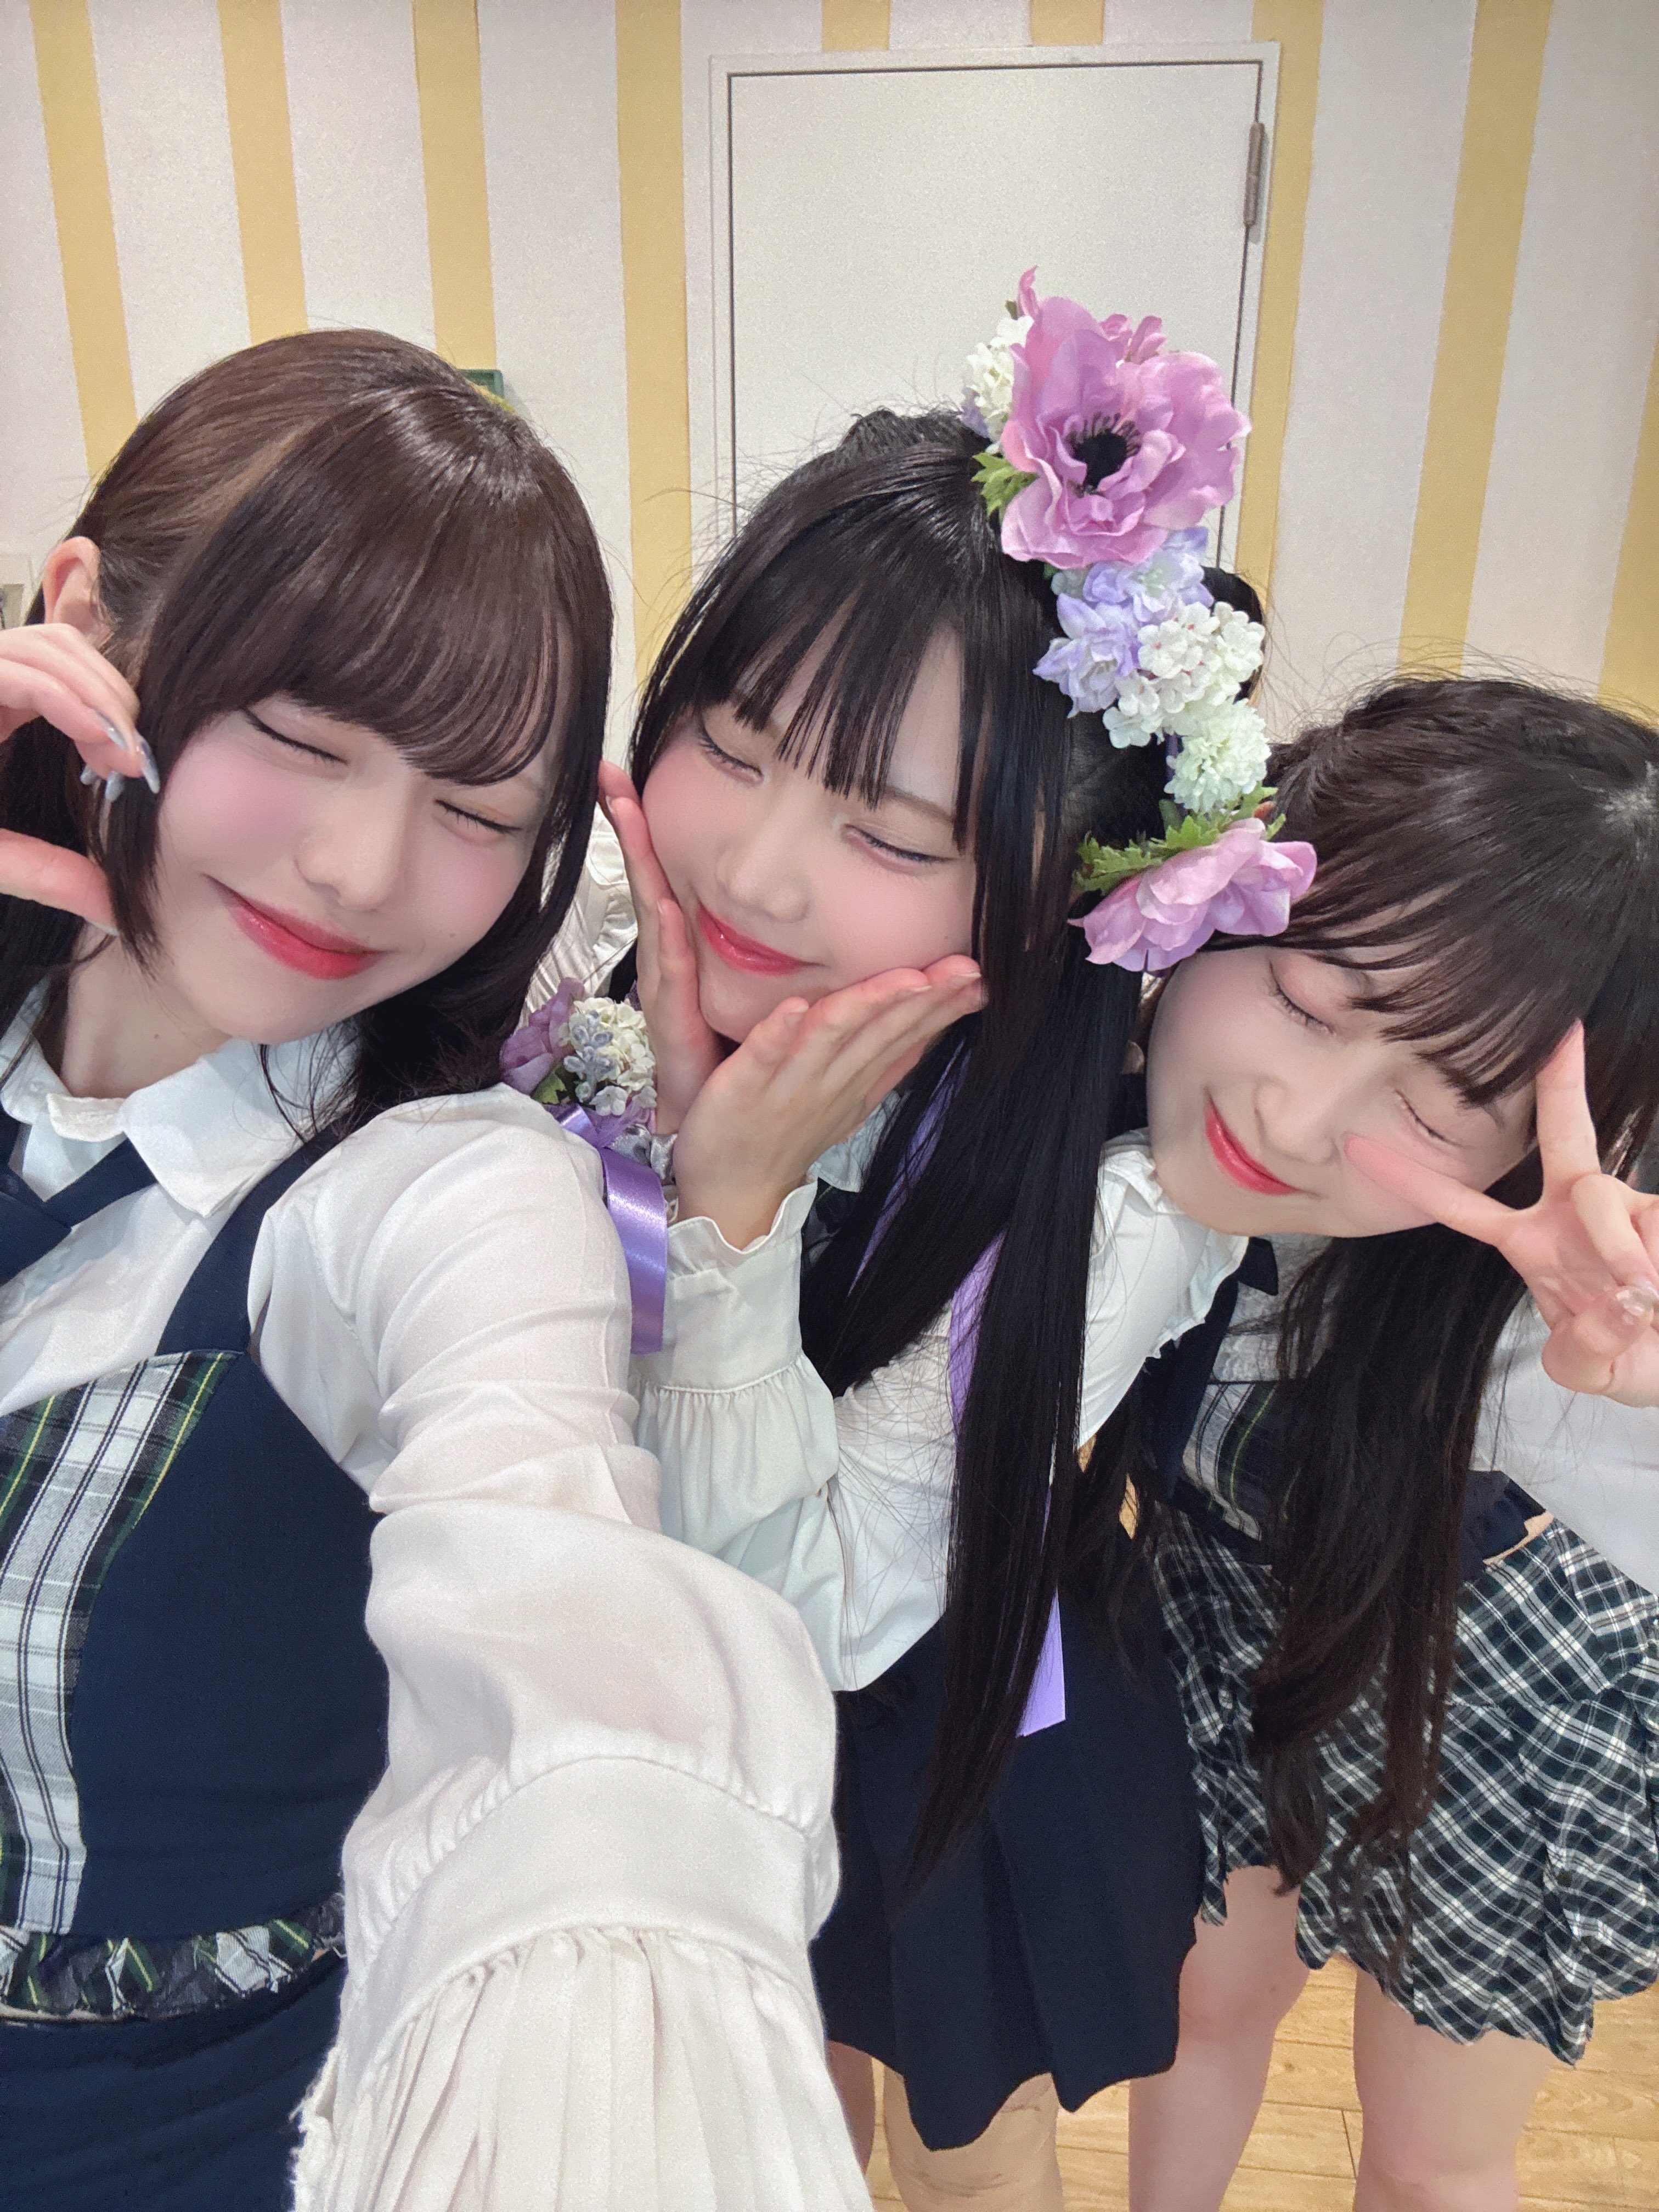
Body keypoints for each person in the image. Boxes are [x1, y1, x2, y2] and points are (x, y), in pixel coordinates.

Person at [0, 330, 870, 2210]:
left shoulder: (446, 1190)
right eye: (301, 736)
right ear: (82, 623)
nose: (359, 867)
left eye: (478, 809)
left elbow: (562, 1605)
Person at [579, 280, 1310, 2208]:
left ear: (1054, 885)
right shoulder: (631, 973)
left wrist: (730, 1213)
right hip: (690, 1719)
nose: (754, 869)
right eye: (733, 739)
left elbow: (826, 1609)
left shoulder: (1108, 1203)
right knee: (777, 2099)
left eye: (893, 837)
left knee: (963, 2155)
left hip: (945, 1728)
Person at [1121, 675, 1659, 2212]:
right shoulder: (1099, 1111)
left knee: (1431, 2151)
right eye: (1308, 1001)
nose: (1296, 1122)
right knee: (1194, 2012)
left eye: (1438, 1104)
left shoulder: (1547, 1327)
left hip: (1486, 1686)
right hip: (1220, 1620)